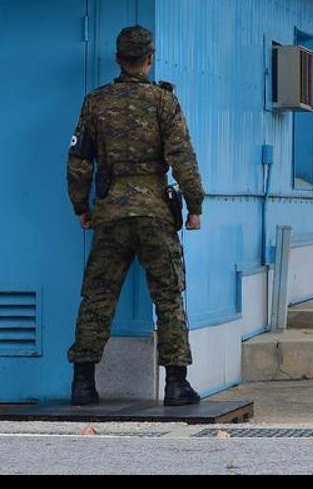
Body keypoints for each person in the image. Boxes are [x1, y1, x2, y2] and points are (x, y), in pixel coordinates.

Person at [66, 25, 206, 407]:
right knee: (168, 295)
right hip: (155, 212)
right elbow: (183, 158)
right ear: (149, 57)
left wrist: (82, 207)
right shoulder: (164, 103)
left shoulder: (95, 102)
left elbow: (79, 162)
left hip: (110, 211)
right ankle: (176, 384)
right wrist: (195, 207)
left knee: (97, 295)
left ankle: (82, 383)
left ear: (117, 58)